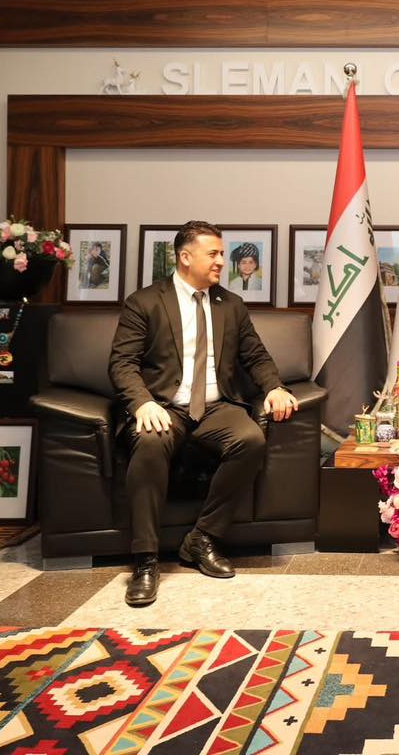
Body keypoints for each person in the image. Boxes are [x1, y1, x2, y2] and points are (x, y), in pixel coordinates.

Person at [109, 221, 298, 607]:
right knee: (149, 442)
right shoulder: (145, 302)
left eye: (222, 254)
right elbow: (122, 363)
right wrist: (142, 403)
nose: (221, 262)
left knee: (250, 440)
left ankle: (203, 538)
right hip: (164, 406)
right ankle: (145, 561)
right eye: (213, 254)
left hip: (216, 407)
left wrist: (275, 387)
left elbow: (255, 355)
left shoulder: (231, 304)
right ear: (185, 256)